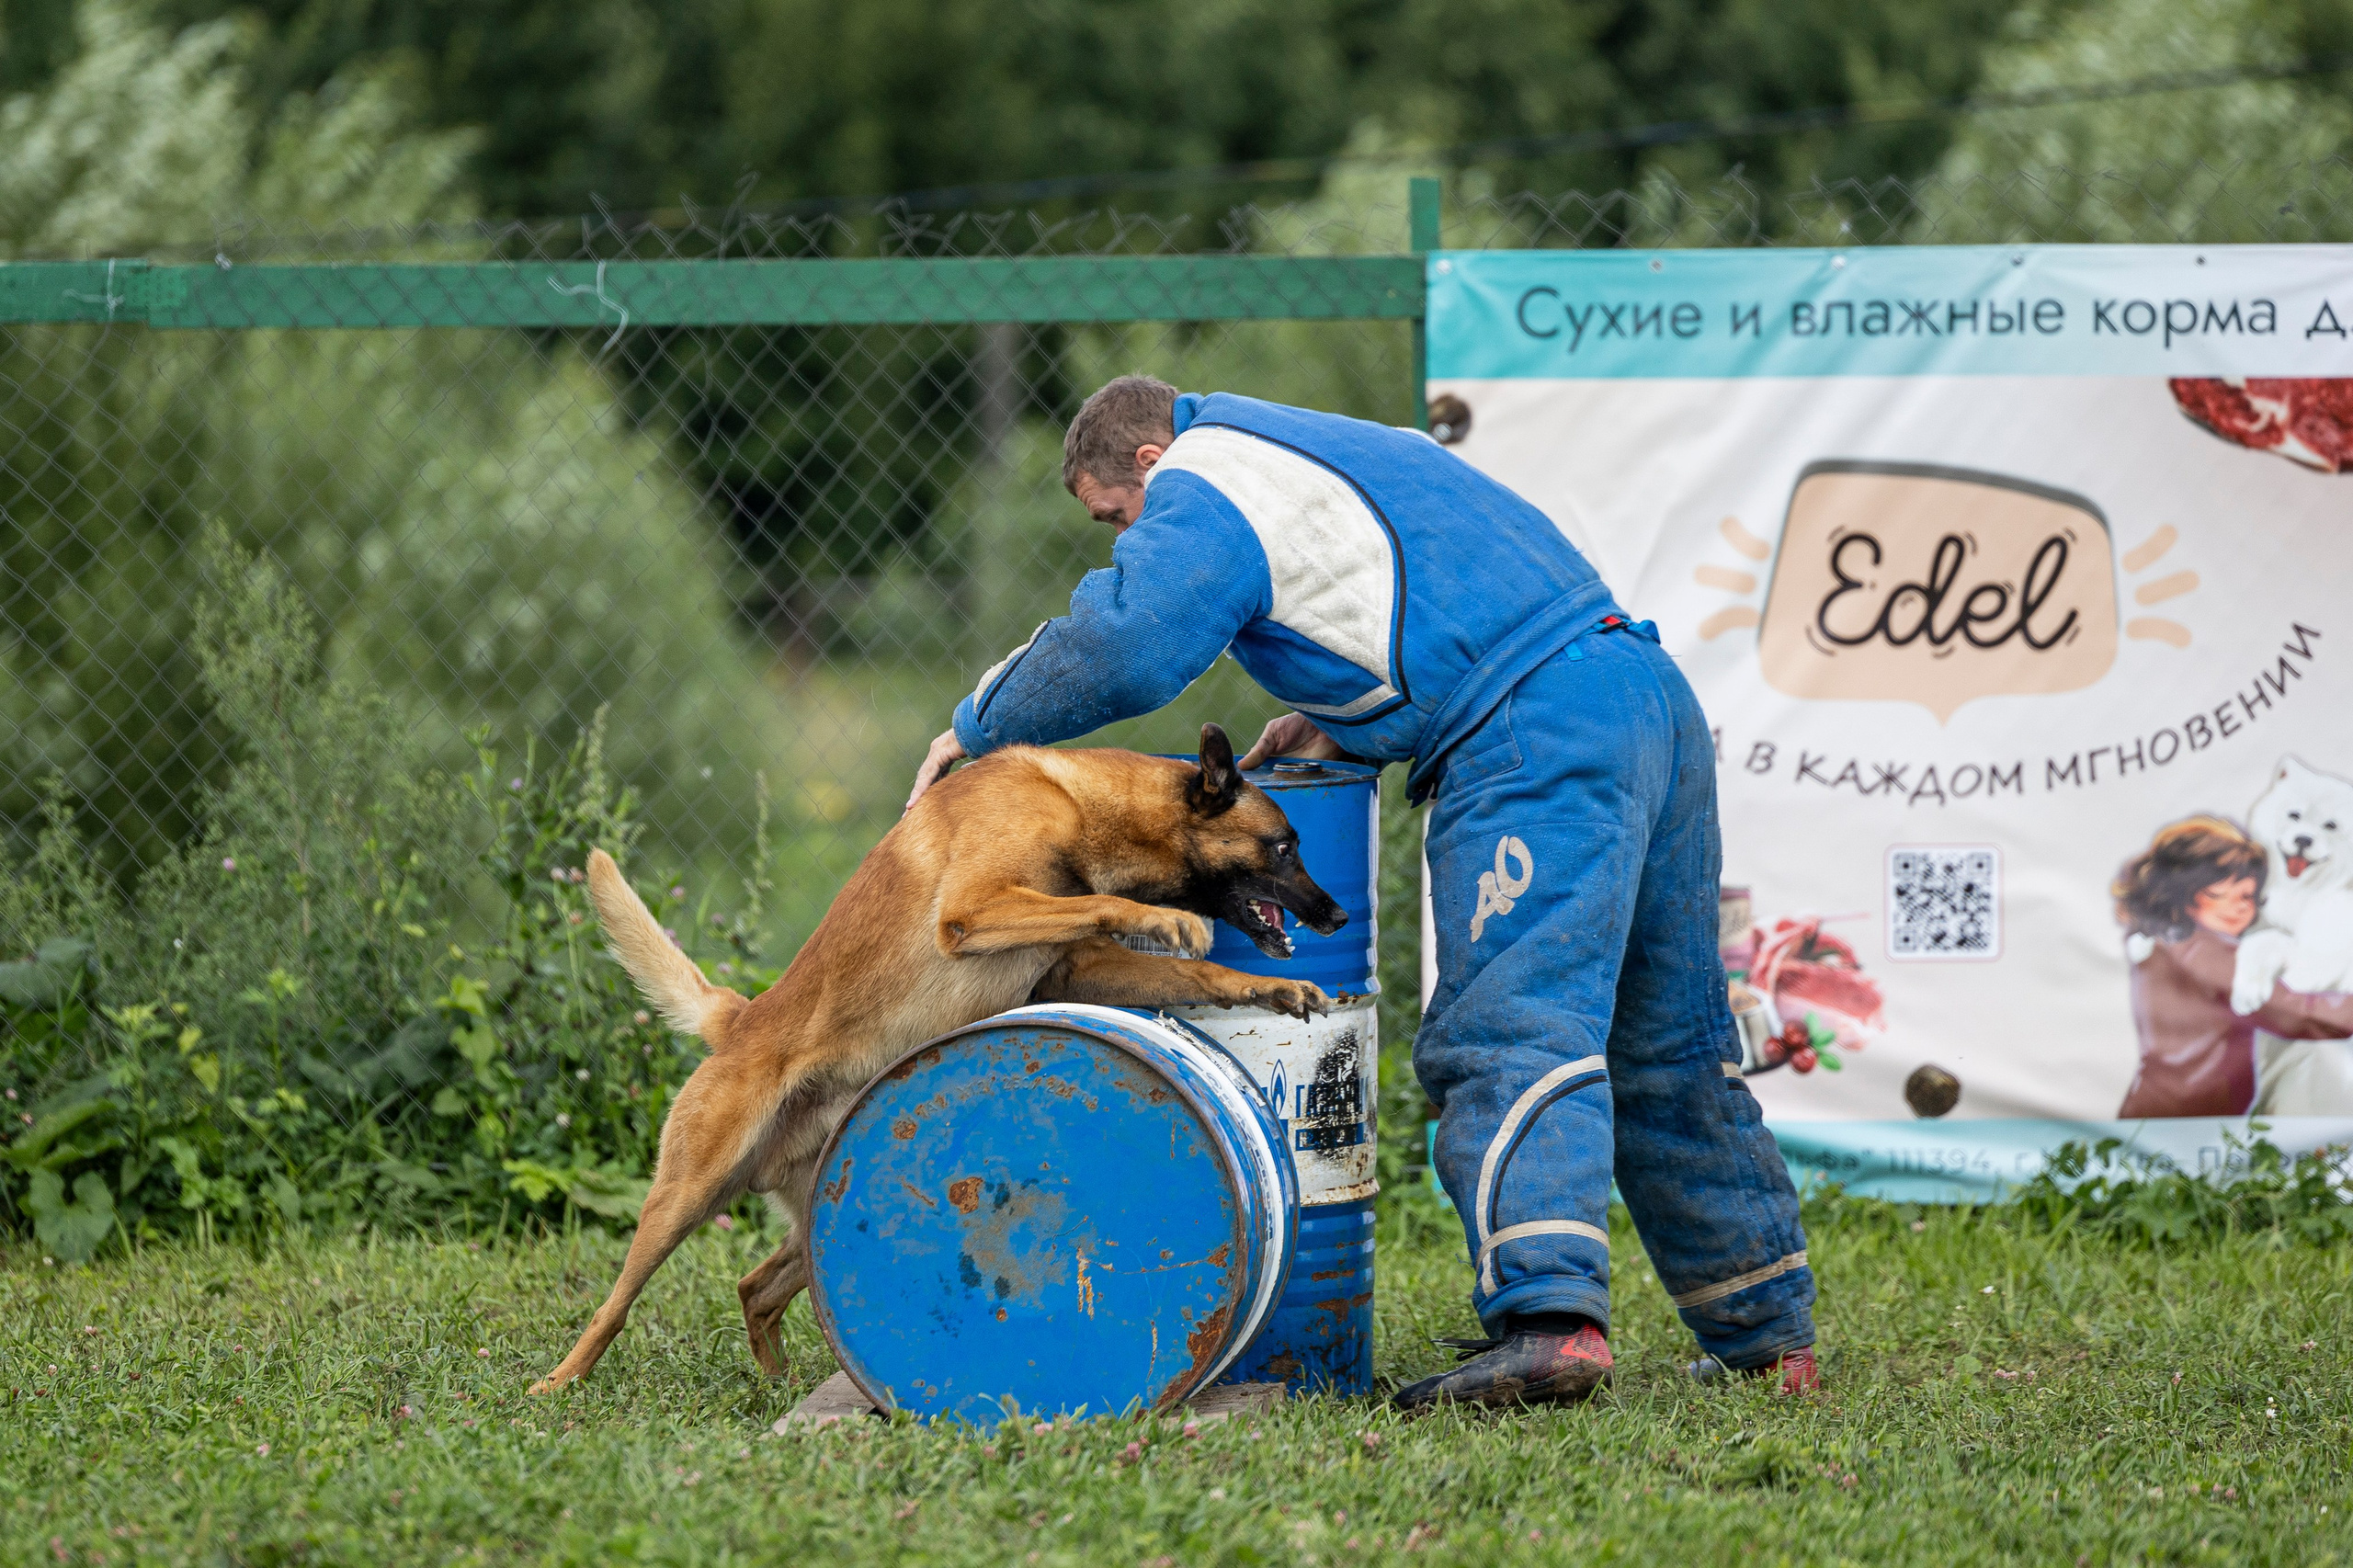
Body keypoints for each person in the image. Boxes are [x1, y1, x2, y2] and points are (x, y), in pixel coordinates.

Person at [906, 375, 1817, 1407]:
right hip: (1638, 697)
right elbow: (1447, 599)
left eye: (1115, 518)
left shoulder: (1206, 472)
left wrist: (978, 725)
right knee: (1667, 1039)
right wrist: (1348, 714)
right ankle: (1769, 1338)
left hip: (1537, 739)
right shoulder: (1327, 439)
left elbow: (1128, 639)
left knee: (1510, 1025)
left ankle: (1551, 1324)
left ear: (1149, 462)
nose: (1121, 540)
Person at [2112, 815, 2353, 1118]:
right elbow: (2295, 1014)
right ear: (2183, 893)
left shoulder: (2160, 944)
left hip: (2159, 1111)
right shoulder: (2206, 952)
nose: (2238, 906)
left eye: (2247, 897)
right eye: (2220, 893)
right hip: (2185, 1122)